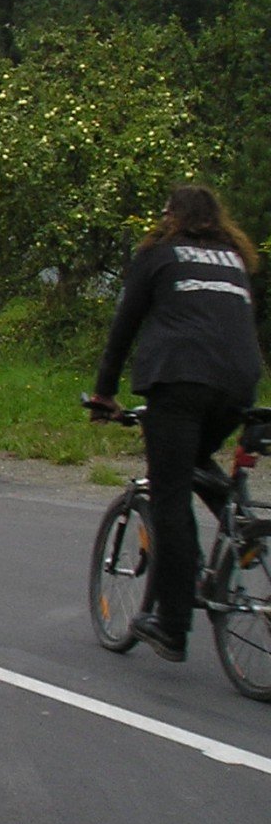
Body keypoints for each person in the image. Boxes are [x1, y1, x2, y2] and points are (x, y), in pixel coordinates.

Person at [89, 184, 263, 662]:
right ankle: (237, 519)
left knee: (169, 494)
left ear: (172, 216)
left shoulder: (158, 255)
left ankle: (171, 624)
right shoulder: (235, 259)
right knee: (193, 462)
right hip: (239, 384)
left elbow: (125, 326)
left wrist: (105, 393)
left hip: (179, 381)